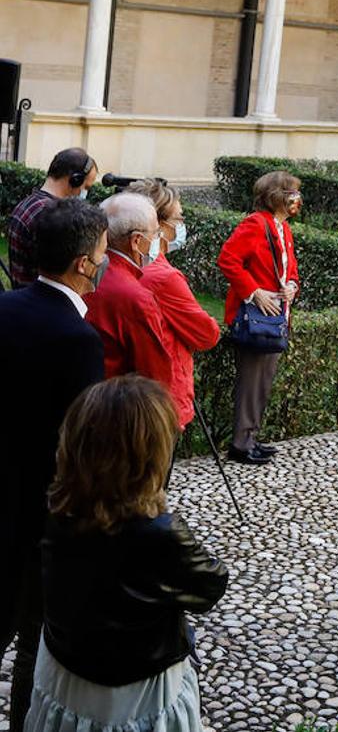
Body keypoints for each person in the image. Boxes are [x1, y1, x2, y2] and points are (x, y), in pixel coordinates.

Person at [28, 376, 228, 732]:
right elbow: (211, 584)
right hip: (136, 690)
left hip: (64, 670)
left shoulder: (59, 511)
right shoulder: (159, 533)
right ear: (151, 458)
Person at [0, 199, 107, 731]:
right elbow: (79, 447)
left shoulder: (6, 306)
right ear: (84, 264)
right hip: (39, 517)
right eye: (103, 253)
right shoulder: (79, 339)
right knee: (32, 640)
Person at [217, 170, 301, 465]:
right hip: (257, 317)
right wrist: (254, 292)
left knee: (262, 382)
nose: (297, 199)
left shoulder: (283, 228)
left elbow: (289, 269)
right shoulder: (255, 224)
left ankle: (250, 436)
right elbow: (227, 259)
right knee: (251, 383)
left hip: (275, 318)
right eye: (292, 193)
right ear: (277, 196)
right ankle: (240, 444)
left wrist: (292, 285)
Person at [127, 179, 221, 430]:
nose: (181, 226)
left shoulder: (116, 262)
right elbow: (207, 333)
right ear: (158, 225)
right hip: (162, 393)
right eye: (178, 219)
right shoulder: (162, 277)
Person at [85, 193, 176, 390]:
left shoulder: (84, 272)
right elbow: (154, 375)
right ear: (136, 240)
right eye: (155, 233)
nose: (157, 240)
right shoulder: (134, 296)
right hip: (118, 405)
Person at [6, 147, 98, 288]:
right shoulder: (53, 216)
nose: (85, 193)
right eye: (86, 187)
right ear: (75, 179)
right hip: (41, 302)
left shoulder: (27, 204)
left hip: (24, 296)